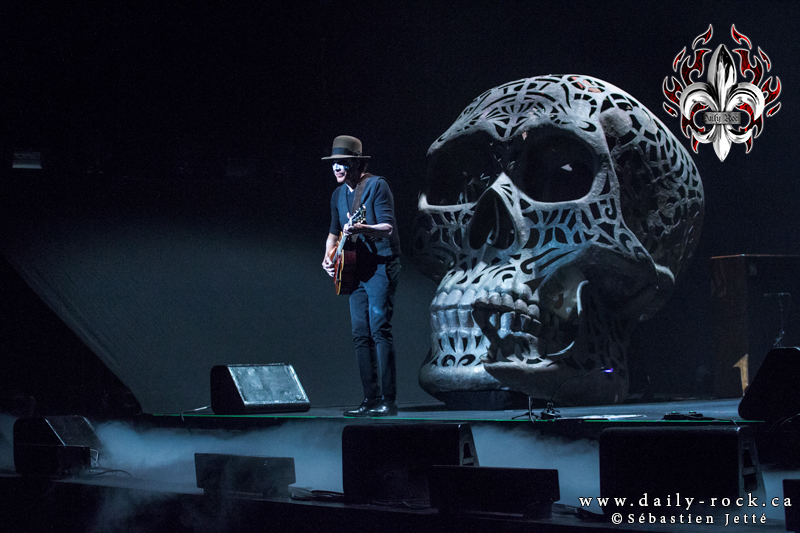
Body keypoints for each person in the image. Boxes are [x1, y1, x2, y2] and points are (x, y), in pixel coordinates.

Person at [321, 135, 401, 417]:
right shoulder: (337, 195)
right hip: (355, 267)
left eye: (341, 163)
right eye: (333, 165)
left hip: (381, 264)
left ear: (356, 162)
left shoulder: (376, 186)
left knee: (379, 328)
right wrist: (328, 256)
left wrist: (362, 228)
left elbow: (388, 228)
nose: (337, 169)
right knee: (360, 334)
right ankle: (369, 398)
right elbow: (334, 232)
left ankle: (388, 400)